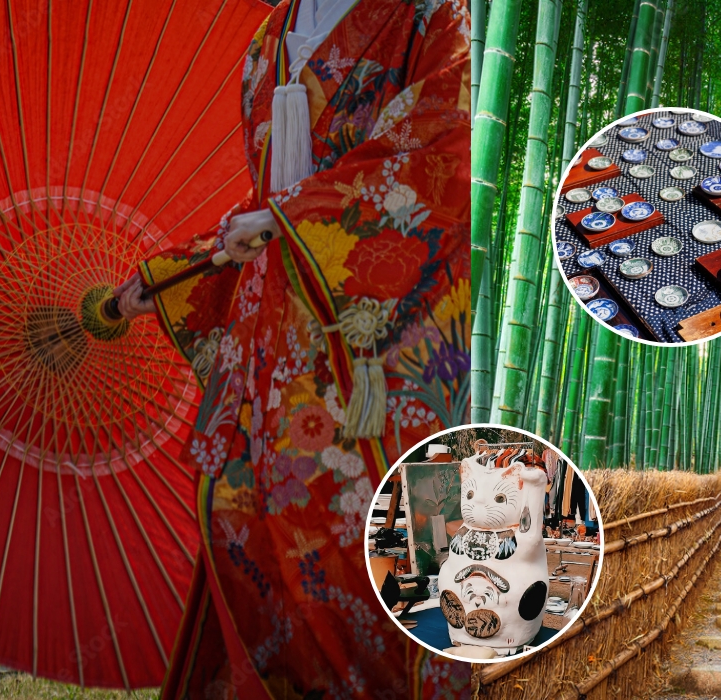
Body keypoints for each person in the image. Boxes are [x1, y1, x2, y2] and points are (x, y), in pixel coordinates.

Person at [107, 0, 473, 696]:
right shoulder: (268, 37)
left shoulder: (432, 18)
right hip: (271, 334)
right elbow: (268, 195)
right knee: (243, 519)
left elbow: (439, 155)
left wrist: (286, 215)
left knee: (365, 534)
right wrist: (180, 270)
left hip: (377, 340)